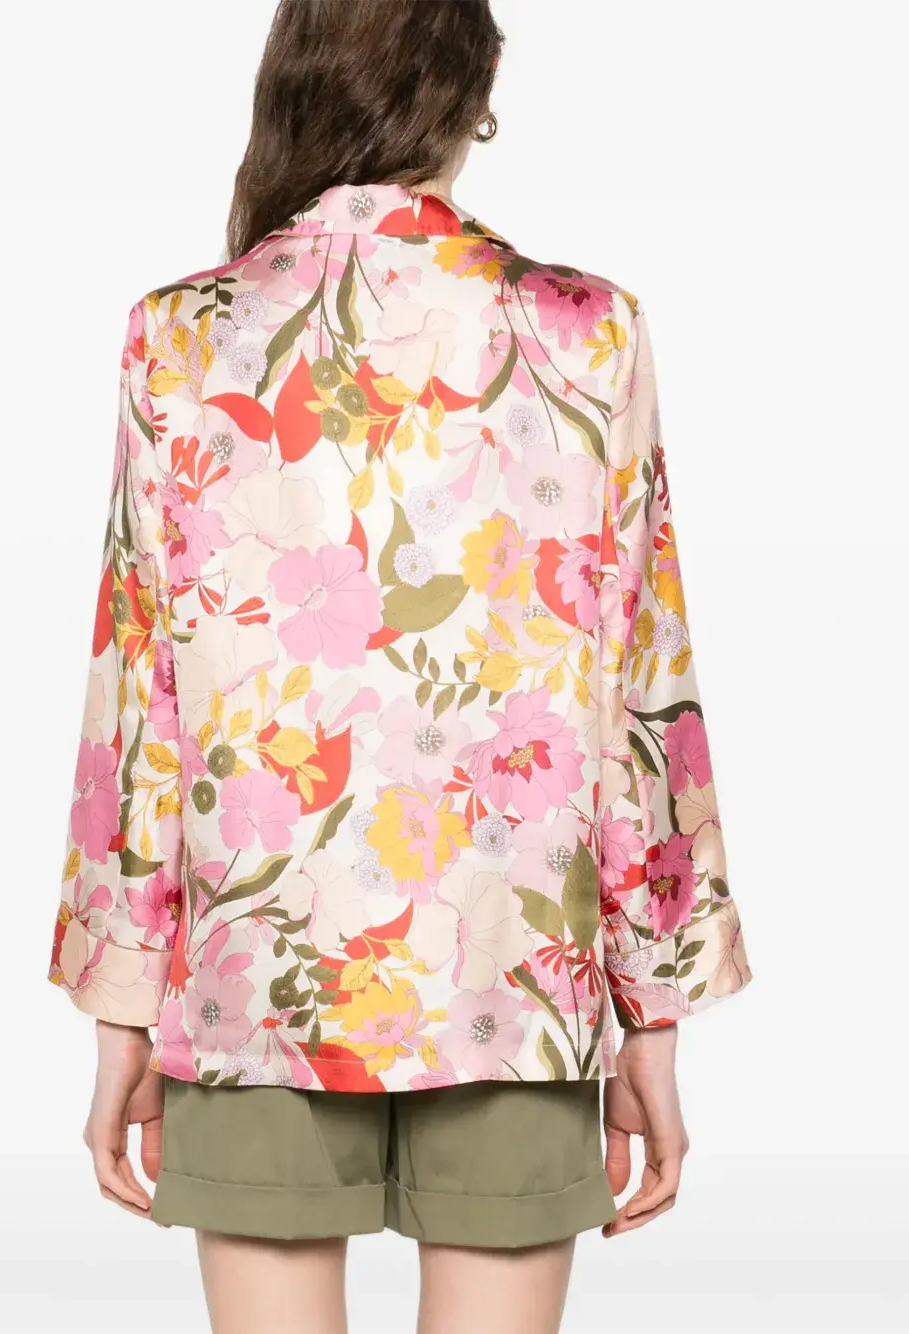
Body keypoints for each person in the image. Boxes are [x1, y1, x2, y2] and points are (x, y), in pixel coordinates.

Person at [48, 2, 752, 1330]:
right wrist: (651, 1016)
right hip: (515, 976)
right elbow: (644, 694)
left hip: (256, 978)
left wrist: (122, 1009)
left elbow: (137, 708)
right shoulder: (587, 332)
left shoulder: (180, 335)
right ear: (474, 94)